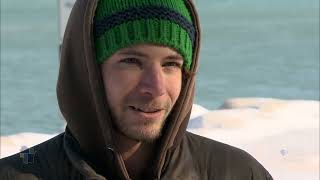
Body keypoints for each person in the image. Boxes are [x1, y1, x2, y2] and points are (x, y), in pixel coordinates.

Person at [0, 0, 273, 179]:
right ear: (87, 70)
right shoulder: (20, 173)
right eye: (131, 62)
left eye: (170, 64)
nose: (155, 88)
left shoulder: (236, 172)